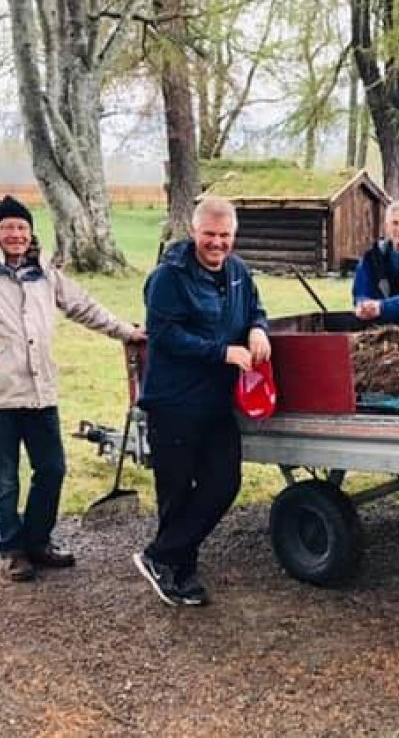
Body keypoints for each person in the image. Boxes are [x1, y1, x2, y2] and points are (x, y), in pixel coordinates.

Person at [0, 195, 145, 583]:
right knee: (5, 477)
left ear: (31, 233)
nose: (15, 234)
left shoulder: (45, 272)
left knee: (52, 469)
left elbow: (84, 306)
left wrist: (127, 332)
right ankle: (13, 550)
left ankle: (39, 542)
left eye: (22, 228)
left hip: (41, 393)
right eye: (7, 227)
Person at [133, 196, 270, 607]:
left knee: (223, 484)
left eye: (225, 235)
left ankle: (160, 556)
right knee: (176, 493)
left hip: (216, 402)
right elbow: (165, 335)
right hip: (174, 401)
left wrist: (259, 329)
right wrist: (223, 352)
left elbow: (255, 309)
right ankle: (179, 572)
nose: (217, 243)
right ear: (194, 231)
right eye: (210, 234)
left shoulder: (239, 273)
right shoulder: (168, 278)